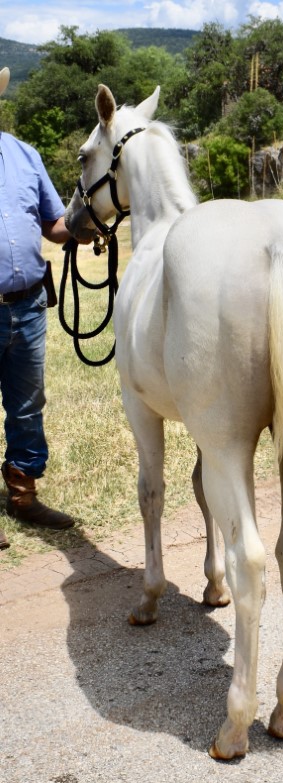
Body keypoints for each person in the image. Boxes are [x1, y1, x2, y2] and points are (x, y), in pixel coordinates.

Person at [0, 66, 74, 550]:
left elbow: (54, 224)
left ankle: (23, 496)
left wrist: (89, 224)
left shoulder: (25, 155)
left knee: (28, 406)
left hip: (27, 305)